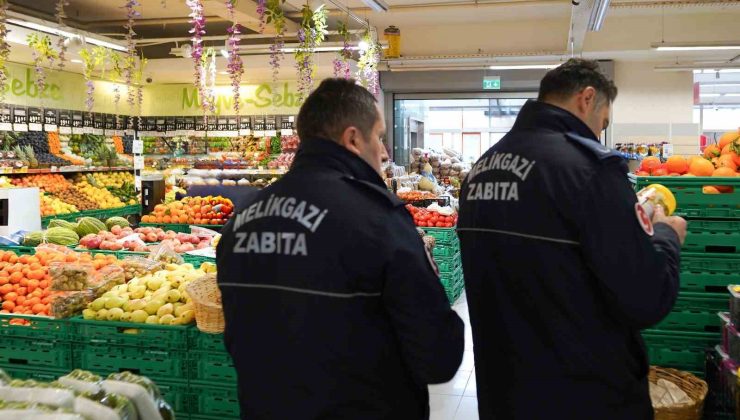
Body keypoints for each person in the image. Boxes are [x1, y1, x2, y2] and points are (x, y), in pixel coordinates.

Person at [217, 78, 464, 420]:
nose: (385, 152)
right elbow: (438, 357)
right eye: (379, 137)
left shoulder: (243, 219)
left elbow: (237, 338)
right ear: (352, 139)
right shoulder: (378, 219)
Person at [457, 59, 686, 419]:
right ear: (587, 98)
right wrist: (666, 235)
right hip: (584, 395)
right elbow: (647, 297)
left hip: (504, 393)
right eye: (603, 122)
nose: (599, 132)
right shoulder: (590, 170)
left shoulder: (481, 170)